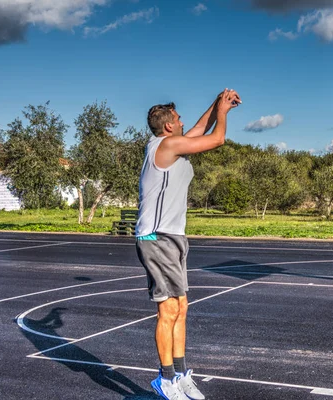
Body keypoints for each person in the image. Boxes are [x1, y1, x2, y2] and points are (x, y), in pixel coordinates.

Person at [135, 89, 241, 400]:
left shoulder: (170, 142)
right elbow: (216, 138)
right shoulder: (167, 145)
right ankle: (165, 378)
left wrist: (218, 100)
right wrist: (222, 112)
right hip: (157, 237)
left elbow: (198, 128)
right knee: (168, 310)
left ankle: (180, 374)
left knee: (181, 307)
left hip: (173, 236)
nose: (183, 123)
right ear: (168, 126)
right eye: (178, 120)